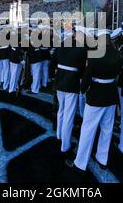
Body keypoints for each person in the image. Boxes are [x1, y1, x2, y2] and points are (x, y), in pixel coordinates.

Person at [67, 30, 123, 171]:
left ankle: (80, 162)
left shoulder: (94, 54)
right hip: (110, 94)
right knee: (107, 129)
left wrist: (83, 89)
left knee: (88, 130)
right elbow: (117, 73)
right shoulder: (118, 54)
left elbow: (87, 77)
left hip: (96, 95)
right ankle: (102, 158)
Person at [51, 26, 87, 157]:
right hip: (71, 84)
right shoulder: (82, 49)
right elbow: (83, 71)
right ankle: (65, 145)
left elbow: (53, 62)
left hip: (60, 81)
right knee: (69, 115)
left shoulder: (61, 45)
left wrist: (53, 76)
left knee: (61, 110)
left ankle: (59, 135)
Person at [0, 26, 11, 91]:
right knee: (6, 71)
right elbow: (9, 48)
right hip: (6, 57)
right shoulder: (8, 37)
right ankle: (5, 86)